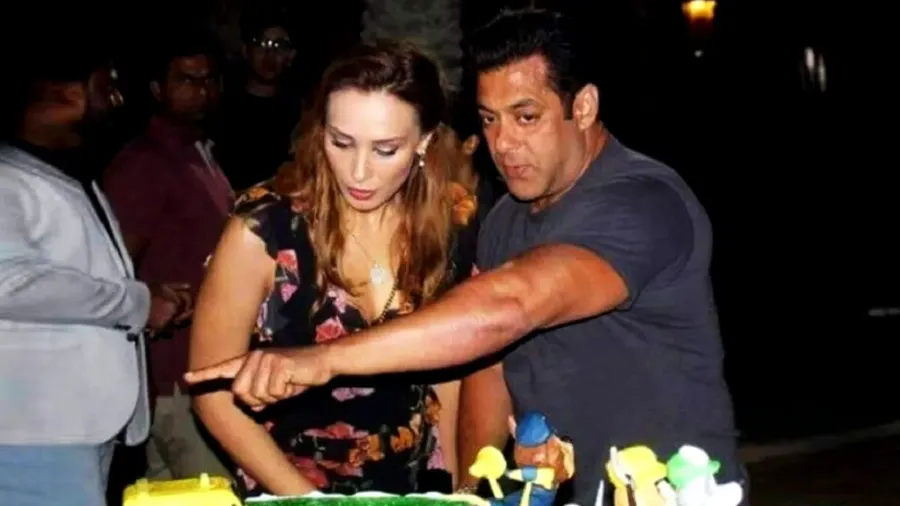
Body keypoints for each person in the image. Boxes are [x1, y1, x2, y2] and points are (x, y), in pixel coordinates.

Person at [184, 8, 743, 506]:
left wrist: (321, 360)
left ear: (585, 105)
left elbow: (512, 305)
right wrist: (469, 491)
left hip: (667, 487)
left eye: (526, 117)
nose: (504, 143)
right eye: (489, 119)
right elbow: (483, 368)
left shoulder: (643, 201)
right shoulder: (502, 220)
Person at [188, 41, 479, 497]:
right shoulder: (264, 231)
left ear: (424, 141)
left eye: (385, 150)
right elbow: (212, 394)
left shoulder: (447, 226)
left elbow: (448, 372)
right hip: (287, 486)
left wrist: (456, 490)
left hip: (409, 487)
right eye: (341, 142)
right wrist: (310, 501)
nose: (358, 172)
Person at [0, 34, 189, 506]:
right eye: (107, 87)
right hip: (37, 433)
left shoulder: (60, 172)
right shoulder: (7, 179)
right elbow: (8, 282)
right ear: (64, 93)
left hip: (77, 426)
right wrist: (136, 302)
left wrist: (145, 296)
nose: (118, 100)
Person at [103, 35, 233, 481]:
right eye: (186, 79)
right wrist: (150, 303)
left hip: (199, 366)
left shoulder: (199, 154)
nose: (201, 89)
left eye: (209, 79)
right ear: (158, 89)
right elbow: (113, 265)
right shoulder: (147, 162)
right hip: (171, 375)